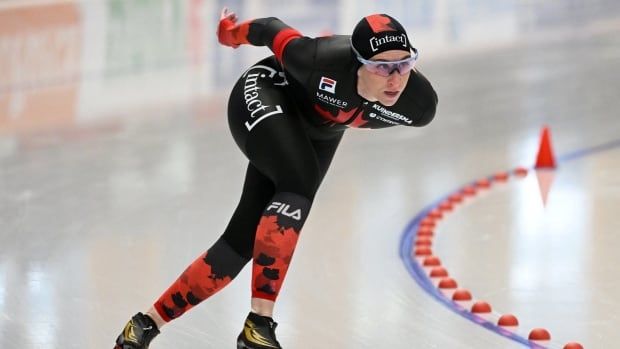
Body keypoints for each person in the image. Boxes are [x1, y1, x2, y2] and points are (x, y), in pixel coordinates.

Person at [113, 7, 437, 349]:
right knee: (299, 181)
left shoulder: (417, 105)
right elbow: (270, 29)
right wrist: (231, 34)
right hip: (267, 92)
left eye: (404, 64)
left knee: (240, 244)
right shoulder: (315, 60)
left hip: (319, 132)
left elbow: (371, 100)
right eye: (382, 67)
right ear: (357, 62)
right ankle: (259, 325)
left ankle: (143, 326)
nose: (395, 79)